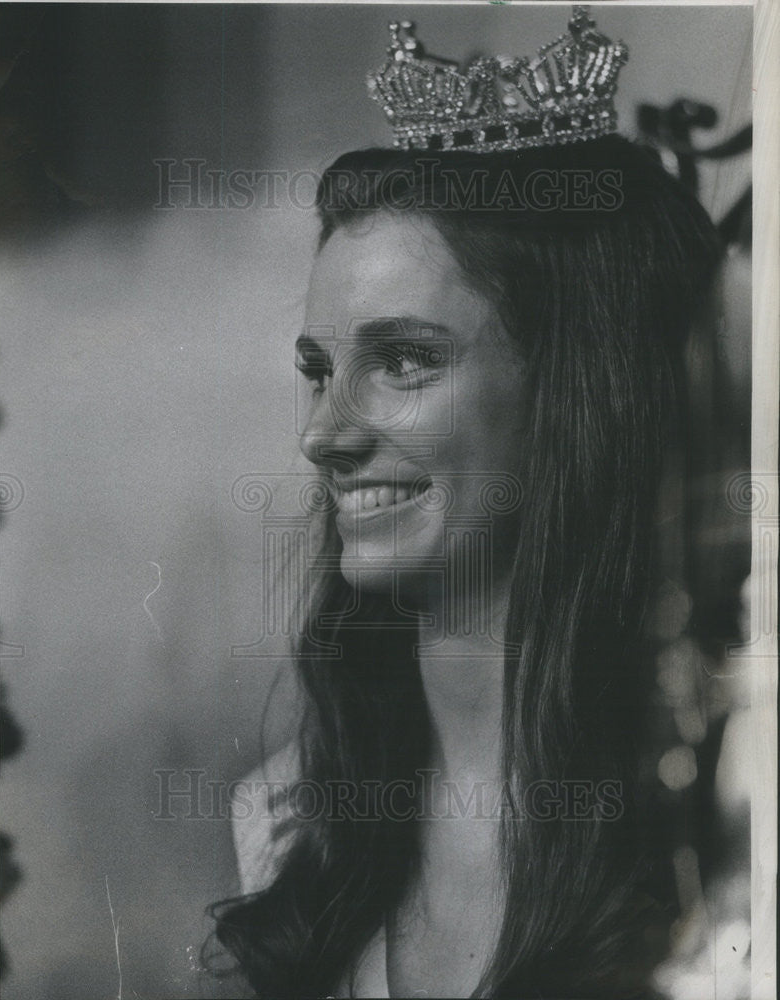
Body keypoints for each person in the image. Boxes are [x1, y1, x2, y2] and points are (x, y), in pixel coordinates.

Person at [207, 11, 723, 998]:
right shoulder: (288, 822)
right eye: (320, 371)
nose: (324, 435)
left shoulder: (717, 808)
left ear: (581, 389)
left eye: (403, 359)